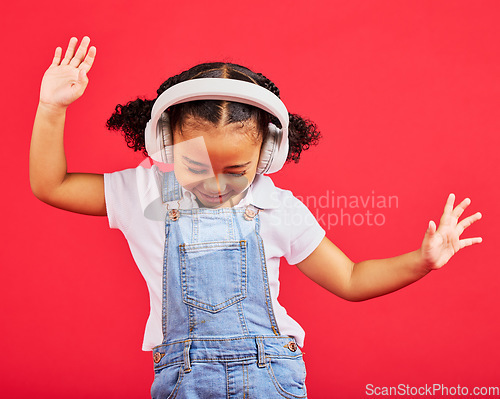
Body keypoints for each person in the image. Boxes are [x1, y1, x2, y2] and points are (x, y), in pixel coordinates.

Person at [30, 37, 482, 398]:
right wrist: (52, 109)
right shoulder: (143, 191)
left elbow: (350, 278)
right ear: (167, 144)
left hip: (271, 376)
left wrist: (421, 261)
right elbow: (52, 186)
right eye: (196, 165)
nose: (216, 184)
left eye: (236, 170)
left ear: (266, 154)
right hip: (182, 380)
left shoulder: (277, 207)